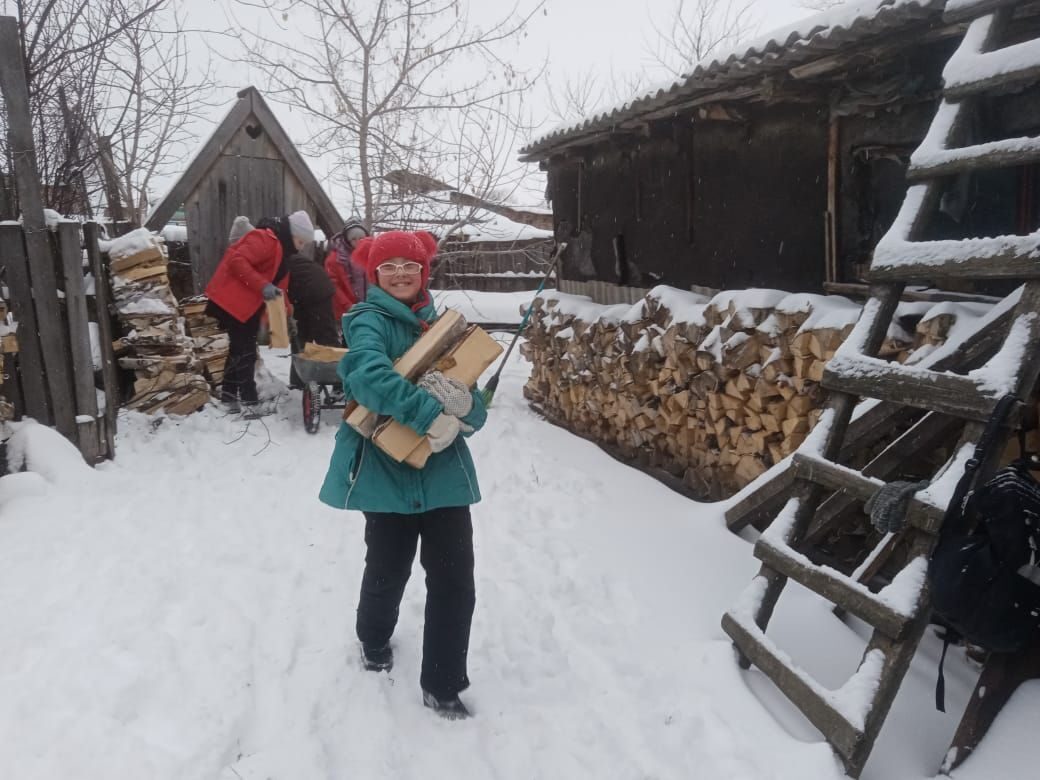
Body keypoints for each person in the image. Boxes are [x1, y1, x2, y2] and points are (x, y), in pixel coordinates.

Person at [319, 230, 487, 720]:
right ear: (374, 274)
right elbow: (366, 375)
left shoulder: (444, 327)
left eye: (409, 266)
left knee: (456, 582)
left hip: (444, 477)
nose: (400, 273)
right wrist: (427, 415)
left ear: (423, 273)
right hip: (383, 472)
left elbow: (473, 409)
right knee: (388, 570)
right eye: (389, 265)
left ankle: (443, 684)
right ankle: (373, 638)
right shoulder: (366, 321)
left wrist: (466, 410)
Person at [205, 210, 315, 413]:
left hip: (246, 305)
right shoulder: (265, 238)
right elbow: (236, 261)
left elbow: (280, 289)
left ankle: (229, 398)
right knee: (245, 351)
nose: (301, 248)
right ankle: (249, 403)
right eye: (301, 242)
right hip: (233, 302)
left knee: (238, 350)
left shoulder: (282, 252)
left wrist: (288, 314)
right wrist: (262, 285)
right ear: (292, 234)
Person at [324, 216, 370, 322]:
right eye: (353, 239)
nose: (358, 242)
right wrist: (348, 306)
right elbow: (333, 286)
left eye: (361, 238)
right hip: (346, 311)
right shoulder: (336, 259)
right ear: (347, 240)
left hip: (369, 308)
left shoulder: (371, 254)